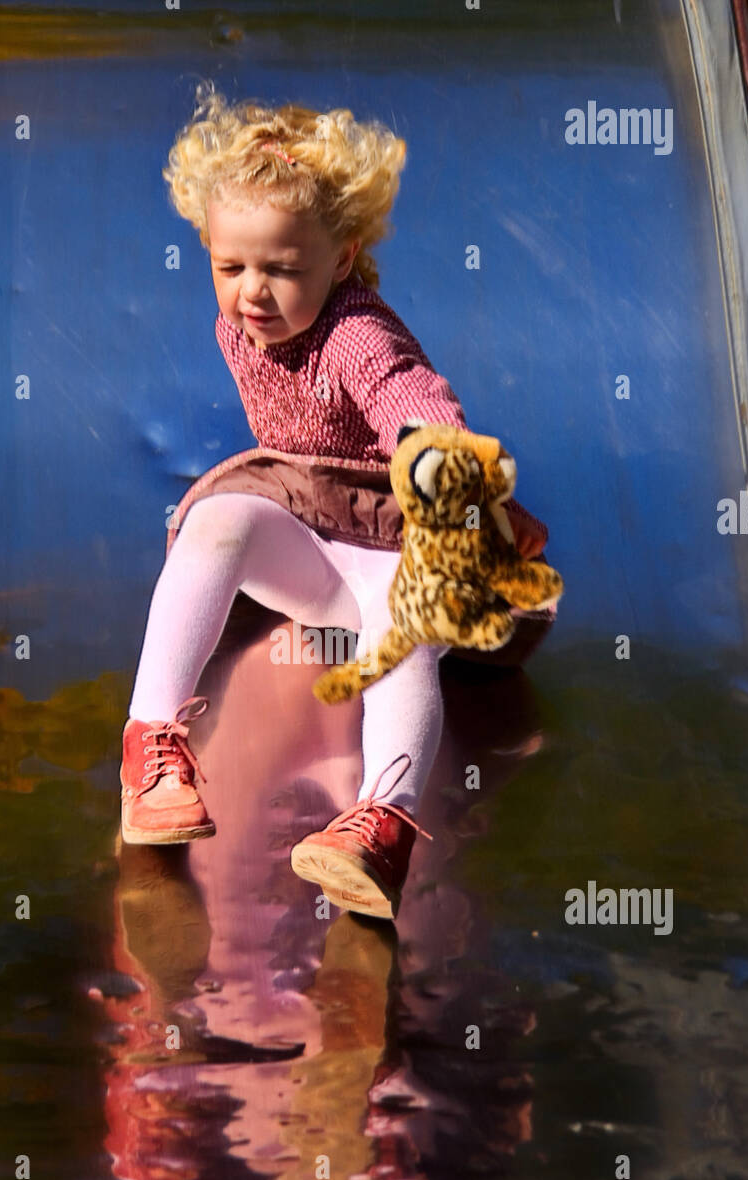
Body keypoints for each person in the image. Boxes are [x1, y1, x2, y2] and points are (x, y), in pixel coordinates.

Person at [120, 82, 551, 918]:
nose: (252, 292)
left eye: (282, 269)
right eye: (229, 265)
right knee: (217, 521)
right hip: (311, 537)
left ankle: (380, 826)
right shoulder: (238, 325)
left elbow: (410, 399)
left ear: (341, 259)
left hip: (392, 534)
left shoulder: (354, 333)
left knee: (403, 631)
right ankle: (152, 750)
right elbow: (283, 470)